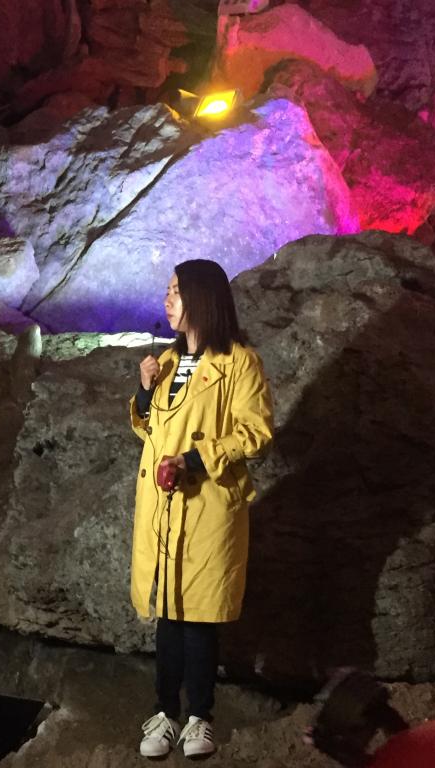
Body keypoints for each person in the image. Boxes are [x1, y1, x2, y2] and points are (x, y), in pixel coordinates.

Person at [129, 259, 273, 759]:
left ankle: (200, 718)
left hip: (208, 503)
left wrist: (193, 459)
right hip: (165, 504)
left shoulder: (240, 363)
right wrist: (144, 392)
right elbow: (153, 429)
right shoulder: (167, 362)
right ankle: (165, 713)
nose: (167, 300)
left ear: (203, 298)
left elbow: (256, 432)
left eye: (176, 291)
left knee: (199, 615)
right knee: (169, 610)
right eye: (168, 291)